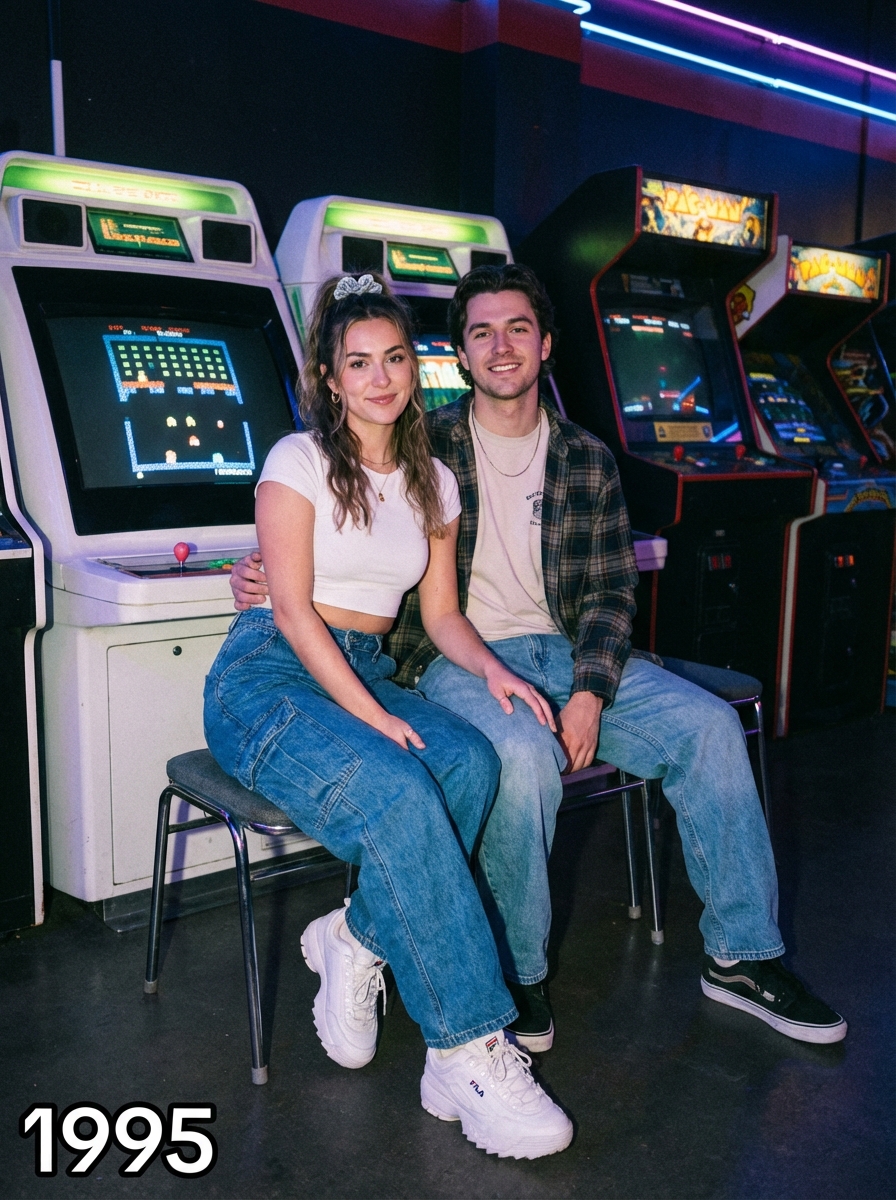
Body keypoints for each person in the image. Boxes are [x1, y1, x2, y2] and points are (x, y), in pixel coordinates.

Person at [231, 263, 847, 1051]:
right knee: (520, 758)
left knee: (710, 729)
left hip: (568, 655)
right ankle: (519, 974)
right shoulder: (422, 444)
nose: (501, 346)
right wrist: (258, 572)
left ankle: (743, 957)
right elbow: (333, 536)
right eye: (481, 332)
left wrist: (589, 693)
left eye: (517, 328)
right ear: (458, 354)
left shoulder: (588, 457)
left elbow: (611, 596)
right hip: (459, 662)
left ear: (546, 343)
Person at [204, 272, 574, 1160]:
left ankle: (352, 934)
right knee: (404, 791)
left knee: (473, 762)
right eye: (359, 362)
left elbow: (441, 615)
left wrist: (494, 672)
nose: (380, 378)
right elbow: (292, 611)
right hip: (268, 674)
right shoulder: (296, 460)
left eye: (396, 358)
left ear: (416, 367)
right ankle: (467, 1050)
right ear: (330, 378)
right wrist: (372, 714)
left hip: (363, 664)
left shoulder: (433, 481)